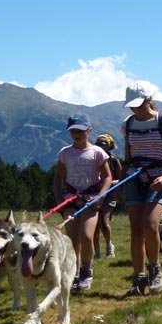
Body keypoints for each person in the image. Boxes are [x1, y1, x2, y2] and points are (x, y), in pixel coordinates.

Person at [121, 85, 162, 295]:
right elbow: (128, 157)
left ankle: (154, 270)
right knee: (136, 229)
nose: (134, 110)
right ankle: (138, 279)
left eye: (138, 105)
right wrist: (122, 177)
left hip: (159, 178)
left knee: (151, 224)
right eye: (132, 106)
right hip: (135, 178)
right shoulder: (128, 124)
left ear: (148, 99)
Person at [53, 113, 112, 291]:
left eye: (80, 130)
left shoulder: (97, 152)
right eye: (73, 131)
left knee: (87, 236)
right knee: (72, 240)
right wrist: (59, 201)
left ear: (89, 130)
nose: (76, 134)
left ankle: (87, 271)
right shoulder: (65, 153)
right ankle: (74, 273)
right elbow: (58, 177)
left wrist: (100, 197)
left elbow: (108, 177)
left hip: (91, 200)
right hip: (70, 200)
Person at [93, 133, 123, 259]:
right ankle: (97, 251)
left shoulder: (113, 160)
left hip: (110, 193)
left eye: (103, 144)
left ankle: (109, 245)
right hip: (95, 193)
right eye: (98, 144)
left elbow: (121, 178)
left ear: (109, 146)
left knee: (104, 222)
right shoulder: (93, 158)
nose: (100, 146)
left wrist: (112, 183)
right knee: (94, 225)